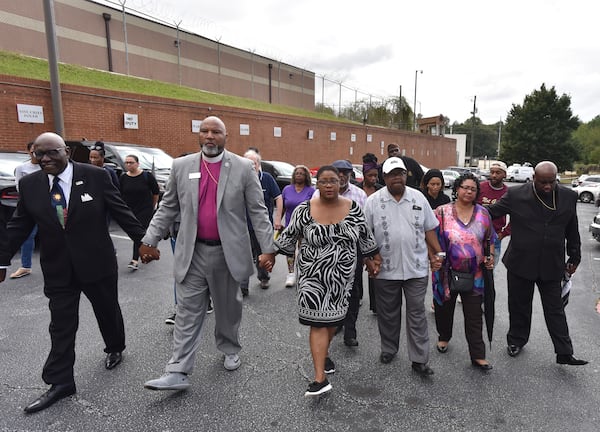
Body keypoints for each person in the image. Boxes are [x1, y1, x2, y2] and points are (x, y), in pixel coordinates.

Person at [0, 132, 145, 413]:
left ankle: (115, 346)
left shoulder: (95, 176)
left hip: (97, 262)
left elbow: (121, 210)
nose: (45, 159)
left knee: (107, 310)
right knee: (61, 325)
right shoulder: (30, 185)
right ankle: (61, 381)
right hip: (58, 268)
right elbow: (18, 225)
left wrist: (143, 241)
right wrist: (2, 261)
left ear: (66, 151)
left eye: (51, 152)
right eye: (39, 154)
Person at [139, 116, 276, 391]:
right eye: (205, 131)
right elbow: (167, 207)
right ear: (198, 135)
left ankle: (229, 348)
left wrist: (268, 249)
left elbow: (258, 211)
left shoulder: (242, 168)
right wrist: (149, 239)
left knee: (227, 309)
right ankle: (177, 370)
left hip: (227, 252)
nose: (210, 136)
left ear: (226, 137)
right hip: (192, 250)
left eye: (216, 132)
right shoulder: (181, 166)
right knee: (187, 310)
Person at [275, 165, 380, 396]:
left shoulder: (353, 209)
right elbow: (289, 236)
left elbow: (365, 237)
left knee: (332, 321)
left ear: (340, 183)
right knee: (318, 323)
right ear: (317, 184)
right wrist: (269, 255)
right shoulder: (305, 209)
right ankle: (320, 378)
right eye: (324, 181)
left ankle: (324, 352)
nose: (329, 185)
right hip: (312, 279)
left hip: (342, 279)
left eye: (333, 181)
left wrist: (373, 261)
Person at [488, 161, 588, 366]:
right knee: (518, 306)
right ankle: (516, 340)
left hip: (552, 264)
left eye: (552, 182)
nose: (548, 187)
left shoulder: (568, 196)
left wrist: (575, 257)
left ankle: (564, 352)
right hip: (520, 262)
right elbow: (492, 212)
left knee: (555, 309)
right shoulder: (516, 195)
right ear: (534, 178)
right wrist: (465, 208)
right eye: (543, 182)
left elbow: (572, 228)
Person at [364, 157, 443, 376]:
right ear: (384, 177)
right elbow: (365, 235)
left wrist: (438, 253)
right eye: (391, 174)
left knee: (417, 313)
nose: (397, 177)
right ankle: (389, 349)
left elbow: (429, 229)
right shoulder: (373, 202)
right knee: (388, 314)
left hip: (416, 267)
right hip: (385, 269)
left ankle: (419, 359)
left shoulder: (418, 198)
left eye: (400, 173)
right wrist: (368, 260)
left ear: (405, 175)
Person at [432, 172, 496, 371]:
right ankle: (444, 336)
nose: (469, 191)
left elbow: (489, 239)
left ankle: (478, 355)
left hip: (475, 275)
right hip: (445, 272)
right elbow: (430, 237)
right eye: (465, 187)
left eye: (473, 189)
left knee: (474, 314)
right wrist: (433, 259)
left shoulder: (483, 213)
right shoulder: (441, 212)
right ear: (457, 189)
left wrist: (490, 257)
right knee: (444, 308)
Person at [314, 159, 368, 347]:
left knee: (352, 292)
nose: (343, 175)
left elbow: (365, 226)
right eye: (339, 171)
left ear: (350, 175)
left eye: (346, 172)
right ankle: (335, 323)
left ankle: (350, 332)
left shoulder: (360, 195)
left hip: (353, 251)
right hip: (326, 252)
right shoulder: (317, 194)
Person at [239, 149, 283, 296]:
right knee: (243, 255)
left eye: (254, 163)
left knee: (262, 252)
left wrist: (277, 219)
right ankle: (243, 285)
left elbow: (278, 197)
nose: (252, 166)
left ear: (258, 164)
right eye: (248, 163)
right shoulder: (238, 179)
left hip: (261, 226)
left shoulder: (268, 178)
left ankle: (263, 277)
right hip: (242, 224)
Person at [119, 154, 160, 270]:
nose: (128, 165)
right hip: (130, 210)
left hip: (145, 210)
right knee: (138, 234)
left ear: (137, 163)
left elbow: (155, 192)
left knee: (138, 234)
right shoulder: (123, 178)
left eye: (131, 162)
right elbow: (119, 194)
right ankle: (150, 249)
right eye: (126, 162)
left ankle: (134, 260)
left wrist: (152, 206)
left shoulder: (147, 176)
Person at [9, 141, 40, 279]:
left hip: (49, 205)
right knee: (28, 236)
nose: (36, 153)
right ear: (29, 151)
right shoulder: (22, 168)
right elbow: (19, 187)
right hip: (30, 206)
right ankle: (25, 266)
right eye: (33, 150)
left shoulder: (46, 166)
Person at [280, 165, 314, 287]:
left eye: (302, 173)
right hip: (290, 225)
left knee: (304, 251)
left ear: (306, 176)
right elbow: (282, 207)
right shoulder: (287, 189)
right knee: (289, 251)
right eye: (297, 173)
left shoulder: (311, 190)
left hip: (305, 226)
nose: (299, 175)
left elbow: (315, 209)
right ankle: (291, 274)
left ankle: (303, 273)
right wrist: (278, 221)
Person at [358, 153, 383, 314]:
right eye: (370, 175)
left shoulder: (381, 190)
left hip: (376, 232)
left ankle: (375, 304)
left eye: (375, 175)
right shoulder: (357, 189)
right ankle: (358, 296)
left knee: (374, 267)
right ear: (364, 175)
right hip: (357, 232)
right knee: (357, 266)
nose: (373, 178)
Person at [477, 161, 510, 260]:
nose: (494, 175)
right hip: (476, 234)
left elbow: (517, 216)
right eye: (492, 172)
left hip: (495, 235)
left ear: (504, 174)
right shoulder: (480, 187)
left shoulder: (508, 193)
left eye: (498, 173)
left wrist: (504, 233)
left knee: (489, 270)